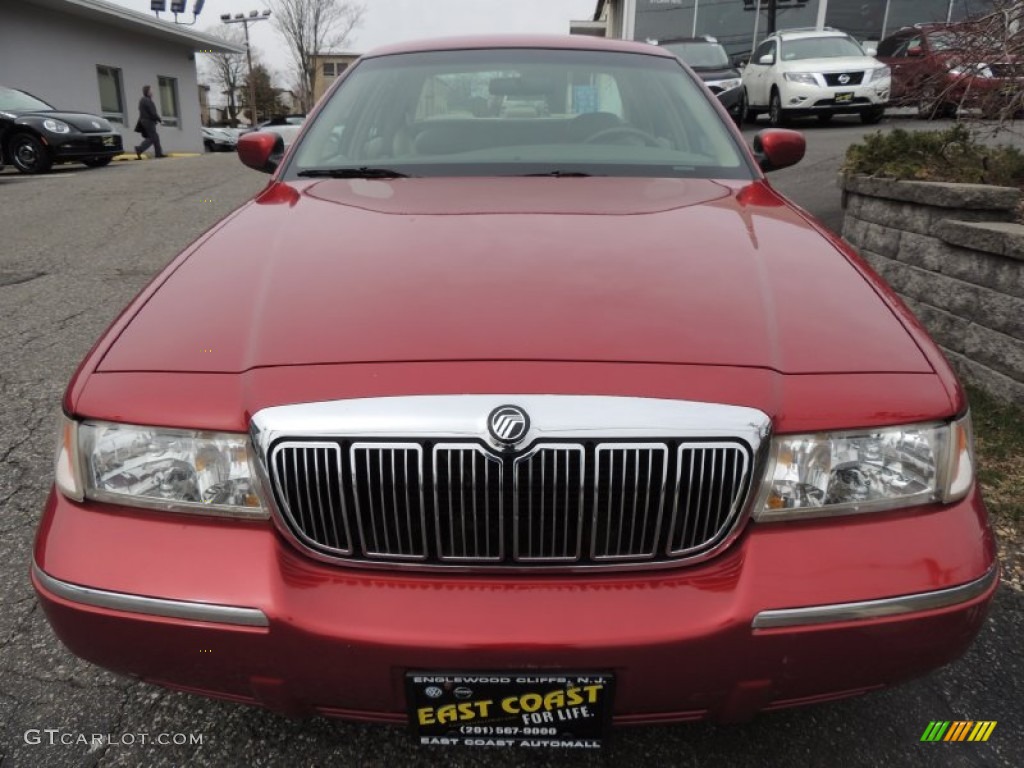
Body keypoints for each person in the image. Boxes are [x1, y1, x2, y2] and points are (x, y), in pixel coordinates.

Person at [134, 85, 166, 159]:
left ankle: (158, 153)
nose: (152, 92)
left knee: (155, 137)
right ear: (147, 92)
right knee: (153, 138)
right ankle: (139, 149)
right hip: (148, 121)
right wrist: (160, 120)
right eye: (151, 90)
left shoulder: (143, 100)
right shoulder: (147, 100)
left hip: (145, 121)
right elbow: (153, 113)